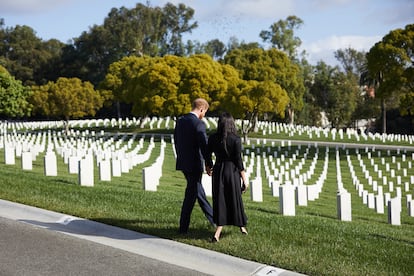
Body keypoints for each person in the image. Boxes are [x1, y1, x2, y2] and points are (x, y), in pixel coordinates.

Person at [174, 98, 215, 234]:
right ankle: (183, 227)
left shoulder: (180, 121)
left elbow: (176, 141)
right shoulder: (198, 124)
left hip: (183, 162)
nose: (204, 115)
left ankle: (213, 219)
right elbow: (204, 145)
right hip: (195, 164)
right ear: (201, 109)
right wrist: (209, 163)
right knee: (191, 196)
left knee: (198, 191)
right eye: (205, 112)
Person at [207, 112, 248, 242]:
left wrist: (209, 166)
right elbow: (238, 160)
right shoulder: (235, 139)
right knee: (234, 198)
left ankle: (220, 230)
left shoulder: (213, 138)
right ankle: (239, 226)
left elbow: (207, 154)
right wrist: (244, 179)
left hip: (218, 170)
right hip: (232, 171)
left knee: (221, 200)